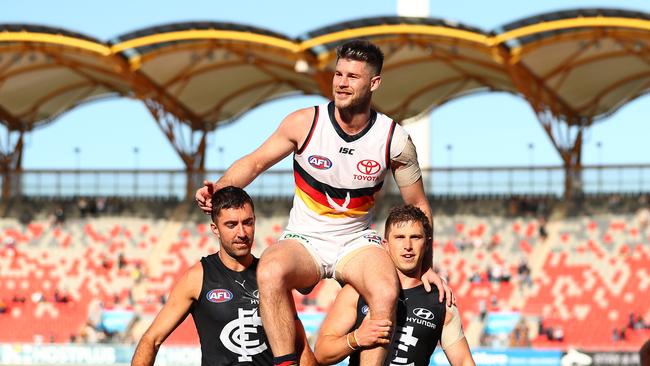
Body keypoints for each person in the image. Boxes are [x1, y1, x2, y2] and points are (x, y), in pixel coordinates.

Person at [195, 40, 452, 366]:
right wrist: (219, 188)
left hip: (356, 240)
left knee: (386, 291)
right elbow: (256, 162)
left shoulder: (394, 140)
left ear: (374, 84)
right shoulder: (305, 123)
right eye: (338, 74)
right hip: (305, 239)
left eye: (353, 77)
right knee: (271, 270)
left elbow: (417, 205)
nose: (342, 82)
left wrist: (426, 265)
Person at [131, 186, 315, 366]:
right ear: (215, 229)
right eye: (231, 225)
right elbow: (151, 340)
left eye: (247, 222)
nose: (242, 233)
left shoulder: (271, 276)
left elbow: (301, 346)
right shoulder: (197, 277)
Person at [314, 205, 475, 366]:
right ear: (385, 244)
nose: (408, 246)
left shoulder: (440, 300)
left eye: (416, 237)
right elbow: (321, 353)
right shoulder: (356, 291)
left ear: (427, 244)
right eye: (399, 237)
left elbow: (463, 361)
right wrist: (356, 338)